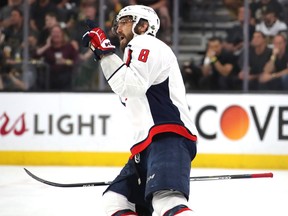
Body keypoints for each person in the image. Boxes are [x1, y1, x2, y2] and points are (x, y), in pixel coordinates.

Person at [82, 5, 198, 216]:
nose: (118, 29)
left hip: (167, 136)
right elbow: (129, 91)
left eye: (125, 22)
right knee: (116, 201)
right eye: (117, 24)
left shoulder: (147, 43)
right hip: (145, 146)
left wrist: (105, 52)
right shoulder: (131, 55)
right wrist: (104, 54)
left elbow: (131, 87)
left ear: (143, 25)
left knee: (167, 201)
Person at [36, 25, 78, 90]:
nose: (56, 35)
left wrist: (65, 61)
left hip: (65, 77)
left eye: (58, 32)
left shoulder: (69, 47)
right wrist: (47, 46)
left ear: (62, 34)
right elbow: (36, 55)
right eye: (53, 32)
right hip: (49, 78)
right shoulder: (48, 47)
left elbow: (76, 60)